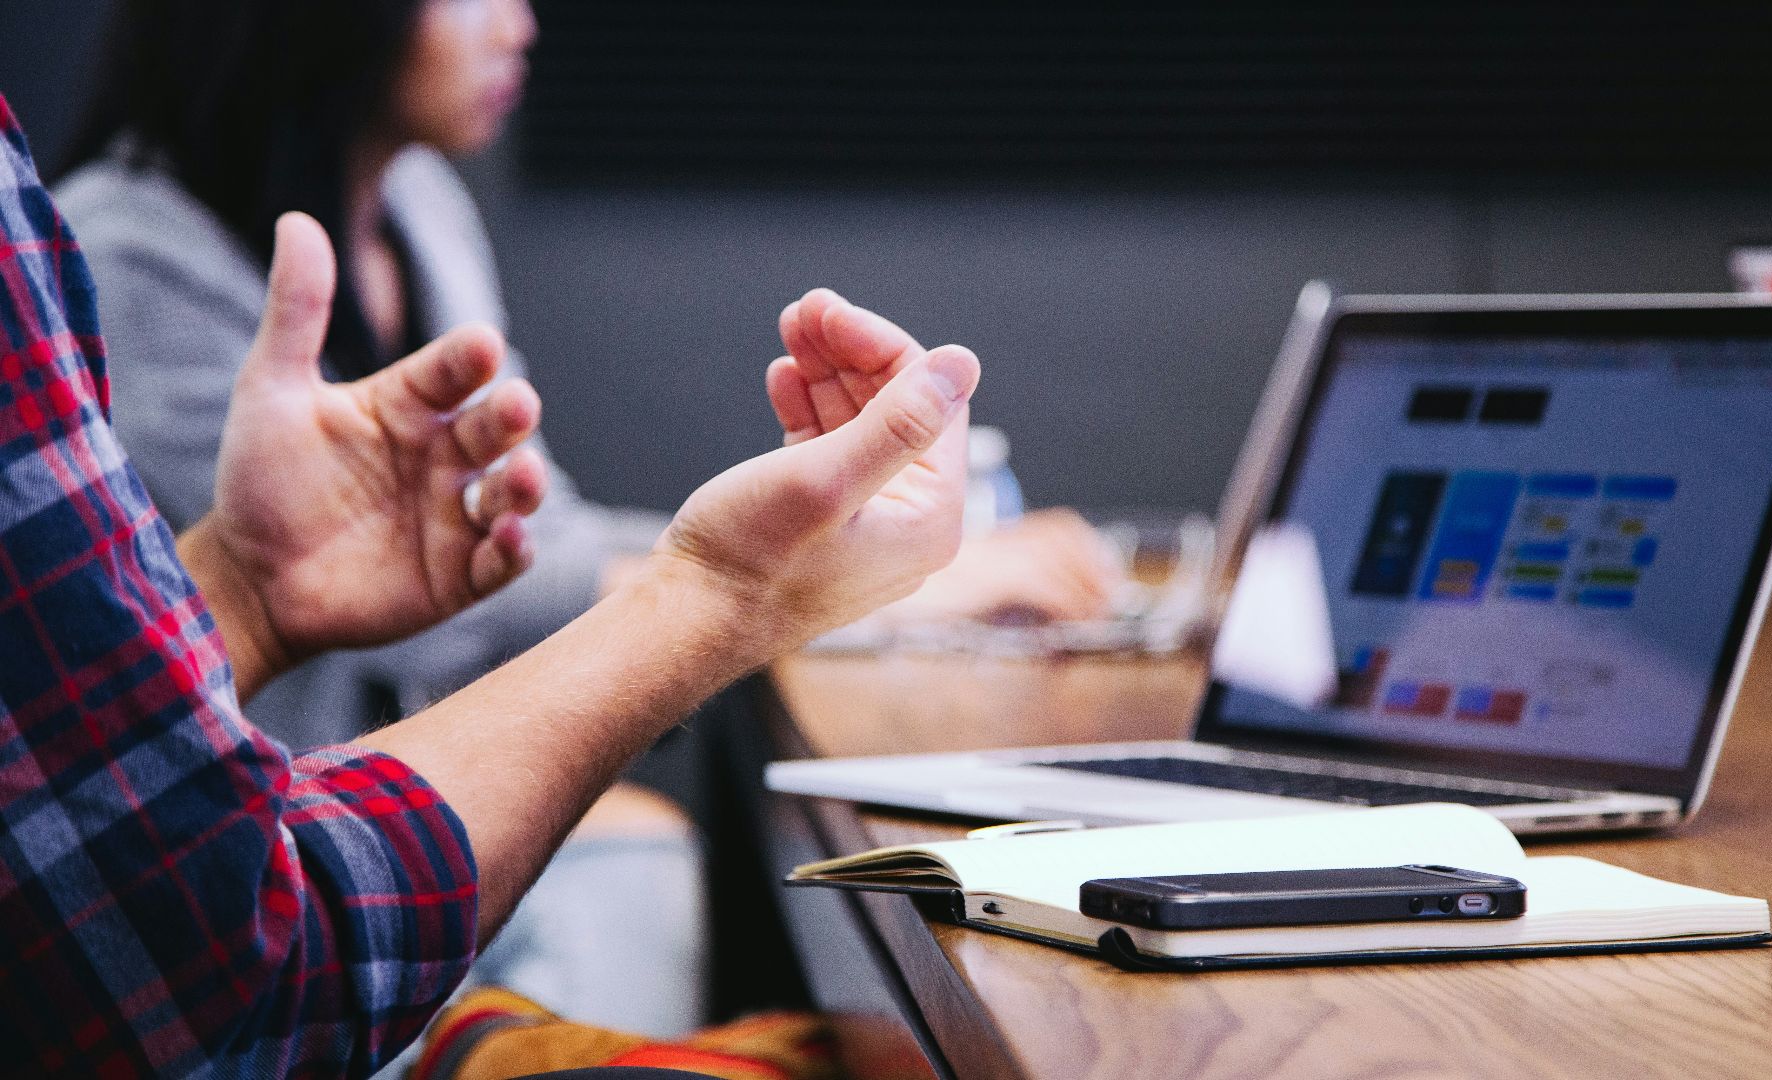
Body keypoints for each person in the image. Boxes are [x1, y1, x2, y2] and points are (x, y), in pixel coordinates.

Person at [0, 87, 983, 1077]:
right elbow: (215, 978)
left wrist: (246, 593)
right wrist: (726, 594)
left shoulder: (420, 201)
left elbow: (60, 747)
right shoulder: (121, 247)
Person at [54, 0, 1120, 754]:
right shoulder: (127, 257)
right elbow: (461, 607)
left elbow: (527, 541)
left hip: (403, 778)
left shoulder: (416, 204)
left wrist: (838, 568)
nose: (519, 21)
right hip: (273, 827)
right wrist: (834, 593)